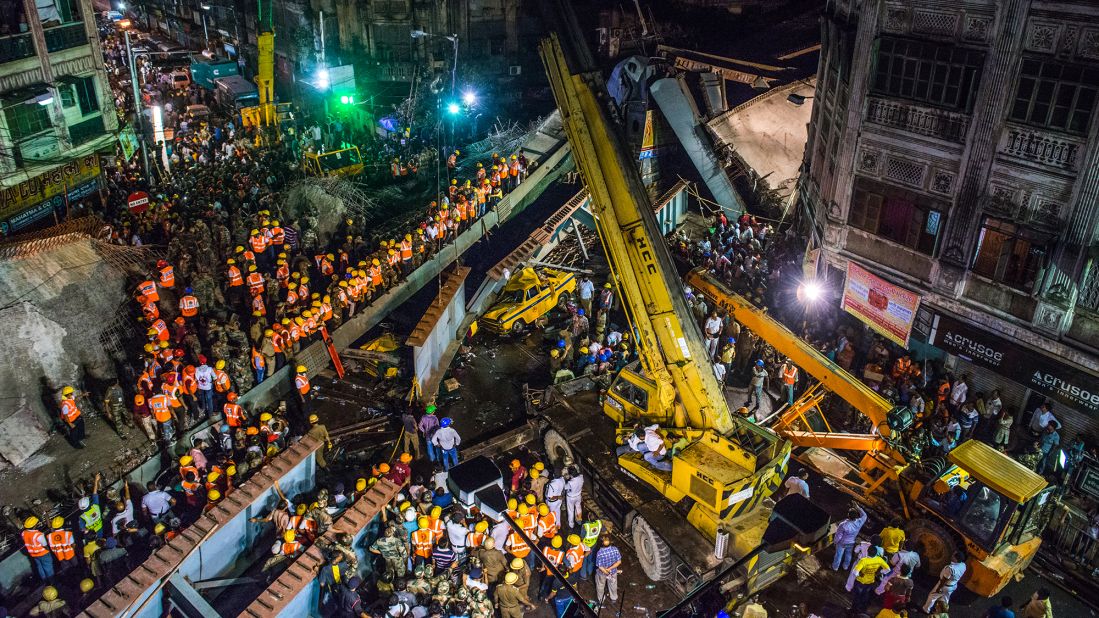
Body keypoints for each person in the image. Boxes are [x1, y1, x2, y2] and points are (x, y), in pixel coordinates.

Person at [847, 545, 890, 614]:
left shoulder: (863, 560)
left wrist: (859, 574)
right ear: (876, 553)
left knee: (857, 596)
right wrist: (879, 572)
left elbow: (855, 572)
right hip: (870, 581)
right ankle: (862, 610)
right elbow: (888, 569)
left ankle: (853, 610)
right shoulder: (879, 559)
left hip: (860, 581)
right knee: (865, 595)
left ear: (867, 552)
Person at [832, 503, 867, 571]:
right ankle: (845, 566)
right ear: (857, 516)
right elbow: (864, 515)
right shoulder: (860, 522)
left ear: (848, 515)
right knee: (848, 555)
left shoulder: (843, 525)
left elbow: (838, 536)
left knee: (838, 556)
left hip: (842, 543)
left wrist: (835, 542)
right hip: (851, 542)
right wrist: (857, 507)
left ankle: (835, 567)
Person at [593, 535, 621, 607]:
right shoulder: (615, 549)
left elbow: (600, 566)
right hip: (613, 572)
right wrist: (610, 569)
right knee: (613, 585)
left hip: (602, 573)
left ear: (601, 543)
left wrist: (606, 571)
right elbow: (619, 562)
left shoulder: (600, 552)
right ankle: (614, 597)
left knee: (600, 586)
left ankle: (601, 600)